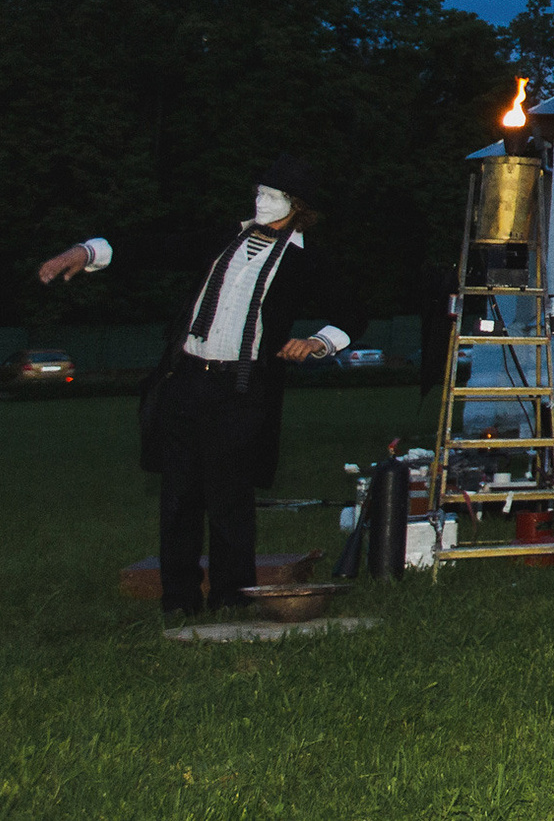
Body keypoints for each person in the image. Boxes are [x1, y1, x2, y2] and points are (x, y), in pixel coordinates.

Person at [39, 154, 363, 619]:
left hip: (242, 390)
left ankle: (231, 598)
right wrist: (85, 252)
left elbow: (353, 311)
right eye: (259, 192)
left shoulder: (306, 260)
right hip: (187, 380)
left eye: (272, 196)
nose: (260, 201)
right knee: (178, 497)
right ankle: (179, 600)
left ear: (298, 205)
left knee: (230, 500)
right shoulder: (224, 238)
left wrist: (318, 342)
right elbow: (155, 248)